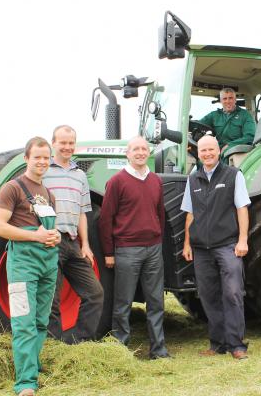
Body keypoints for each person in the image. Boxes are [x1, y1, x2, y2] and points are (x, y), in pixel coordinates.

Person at [0, 137, 61, 396]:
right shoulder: (12, 188)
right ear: (26, 159)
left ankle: (32, 365)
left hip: (48, 262)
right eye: (37, 157)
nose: (42, 162)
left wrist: (55, 236)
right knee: (24, 322)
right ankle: (25, 383)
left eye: (46, 157)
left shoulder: (49, 194)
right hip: (23, 263)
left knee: (41, 320)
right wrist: (36, 237)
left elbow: (50, 229)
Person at [98, 136, 170, 359]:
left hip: (153, 249)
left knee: (156, 302)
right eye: (135, 149)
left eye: (144, 149)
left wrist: (158, 239)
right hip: (127, 250)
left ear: (148, 152)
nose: (140, 152)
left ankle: (158, 350)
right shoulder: (117, 181)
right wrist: (109, 252)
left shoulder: (155, 180)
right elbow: (106, 219)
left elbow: (160, 214)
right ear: (127, 154)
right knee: (123, 302)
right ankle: (121, 350)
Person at [181, 135, 251, 360]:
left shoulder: (233, 175)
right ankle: (217, 343)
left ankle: (236, 344)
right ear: (198, 153)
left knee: (232, 293)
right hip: (201, 249)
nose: (207, 154)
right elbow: (190, 214)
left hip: (227, 245)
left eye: (211, 149)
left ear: (219, 151)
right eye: (203, 150)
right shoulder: (193, 179)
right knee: (208, 296)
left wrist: (242, 240)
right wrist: (187, 243)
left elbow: (242, 208)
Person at [43, 125, 104, 344]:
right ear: (53, 143)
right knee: (52, 299)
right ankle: (52, 346)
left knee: (95, 293)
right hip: (51, 241)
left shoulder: (80, 175)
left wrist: (85, 244)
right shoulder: (44, 171)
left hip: (72, 242)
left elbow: (81, 212)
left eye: (71, 143)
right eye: (63, 142)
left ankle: (80, 341)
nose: (67, 147)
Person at [199, 87, 256, 157]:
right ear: (221, 101)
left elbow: (250, 137)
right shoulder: (214, 115)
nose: (228, 101)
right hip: (218, 150)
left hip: (236, 151)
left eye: (230, 98)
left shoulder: (245, 115)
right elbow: (198, 124)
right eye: (225, 99)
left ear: (235, 100)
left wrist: (230, 145)